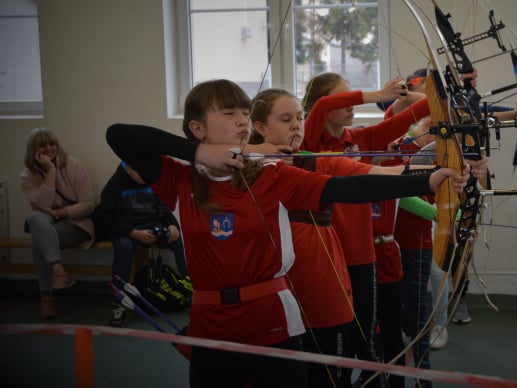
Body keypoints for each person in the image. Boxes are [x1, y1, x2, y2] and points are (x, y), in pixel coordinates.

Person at [105, 79, 468, 388]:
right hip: (209, 323)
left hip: (273, 322)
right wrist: (199, 153)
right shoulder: (179, 181)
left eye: (244, 113)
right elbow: (119, 135)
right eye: (229, 113)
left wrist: (429, 180)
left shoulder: (272, 175)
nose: (241, 121)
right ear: (197, 128)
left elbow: (347, 187)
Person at [302, 72, 431, 387]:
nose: (350, 105)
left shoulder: (362, 139)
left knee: (365, 338)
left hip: (363, 256)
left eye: (351, 97)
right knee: (336, 337)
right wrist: (377, 95)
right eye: (343, 98)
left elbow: (415, 113)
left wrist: (438, 92)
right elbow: (323, 107)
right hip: (327, 257)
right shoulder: (310, 142)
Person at [93, 161, 190, 327]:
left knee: (177, 239)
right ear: (130, 169)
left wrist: (173, 226)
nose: (148, 177)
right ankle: (119, 304)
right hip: (125, 229)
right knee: (124, 246)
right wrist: (133, 233)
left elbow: (164, 210)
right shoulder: (115, 184)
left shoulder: (152, 179)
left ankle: (191, 291)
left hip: (151, 225)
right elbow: (105, 219)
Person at [19, 128, 96, 319]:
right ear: (33, 150)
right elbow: (42, 205)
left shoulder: (74, 165)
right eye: (42, 145)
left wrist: (61, 212)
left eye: (52, 144)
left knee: (39, 239)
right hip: (47, 222)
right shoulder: (27, 176)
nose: (49, 148)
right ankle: (59, 270)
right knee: (35, 219)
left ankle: (46, 296)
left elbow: (88, 204)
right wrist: (51, 172)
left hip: (77, 222)